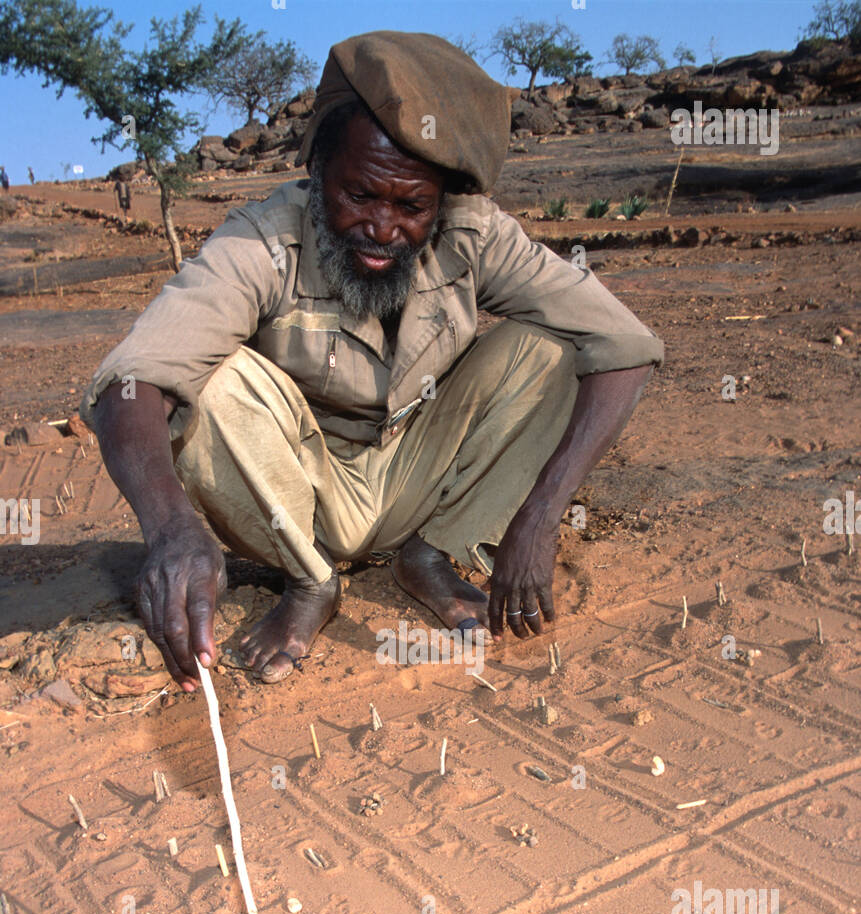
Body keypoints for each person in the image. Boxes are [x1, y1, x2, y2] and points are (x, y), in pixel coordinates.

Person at [83, 31, 663, 693]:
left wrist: (540, 515)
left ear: (442, 200)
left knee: (550, 352)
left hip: (415, 478)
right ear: (317, 174)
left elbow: (625, 346)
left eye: (412, 206)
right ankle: (310, 581)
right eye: (358, 196)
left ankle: (430, 550)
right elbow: (130, 381)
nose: (383, 229)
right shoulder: (263, 240)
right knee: (211, 384)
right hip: (297, 498)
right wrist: (169, 527)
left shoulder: (474, 233)